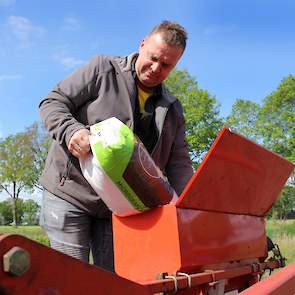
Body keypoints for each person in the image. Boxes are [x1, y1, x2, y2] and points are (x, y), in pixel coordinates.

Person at [39, 20, 193, 272]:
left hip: (120, 209)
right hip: (70, 195)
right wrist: (71, 130)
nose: (156, 68)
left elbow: (179, 164)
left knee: (113, 282)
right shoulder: (103, 69)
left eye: (166, 65)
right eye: (153, 58)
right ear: (142, 44)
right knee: (70, 279)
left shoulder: (172, 109)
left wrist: (191, 207)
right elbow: (53, 102)